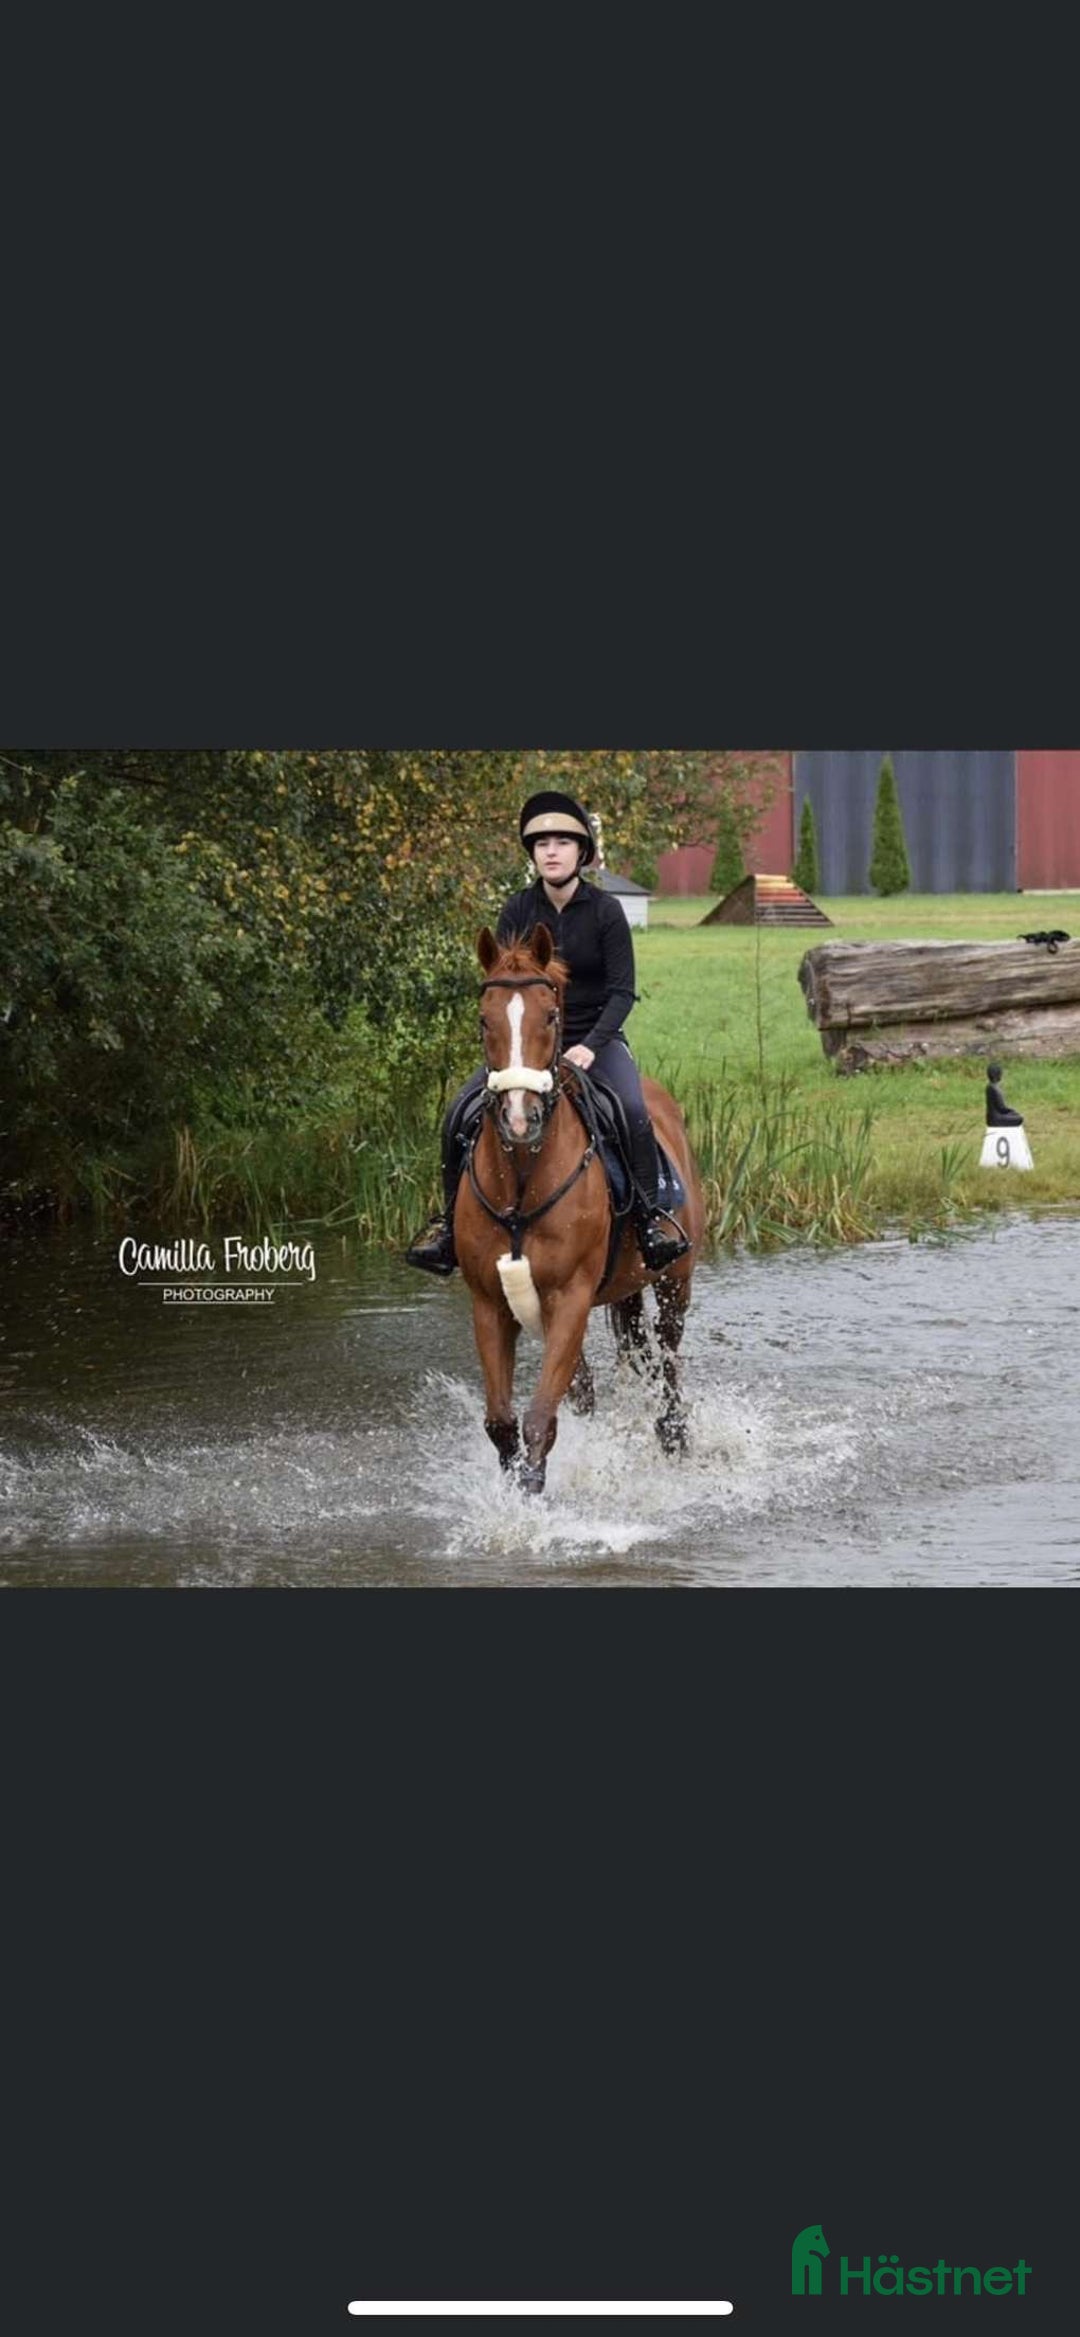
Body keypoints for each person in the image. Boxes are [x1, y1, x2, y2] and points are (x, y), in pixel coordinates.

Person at [405, 787, 691, 1276]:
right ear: (533, 855)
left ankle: (650, 1219)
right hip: (526, 1045)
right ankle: (448, 1227)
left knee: (633, 1109)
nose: (551, 851)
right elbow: (502, 986)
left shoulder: (606, 912)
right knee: (458, 1112)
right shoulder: (518, 910)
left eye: (562, 842)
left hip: (592, 1040)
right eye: (541, 844)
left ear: (581, 853)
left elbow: (622, 993)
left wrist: (589, 1047)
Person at [985, 1062, 1024, 1127]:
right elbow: (1002, 1108)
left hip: (993, 1117)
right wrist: (1012, 1111)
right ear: (997, 1075)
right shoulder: (994, 1088)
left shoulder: (990, 1087)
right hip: (996, 1118)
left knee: (1016, 1115)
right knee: (1019, 1118)